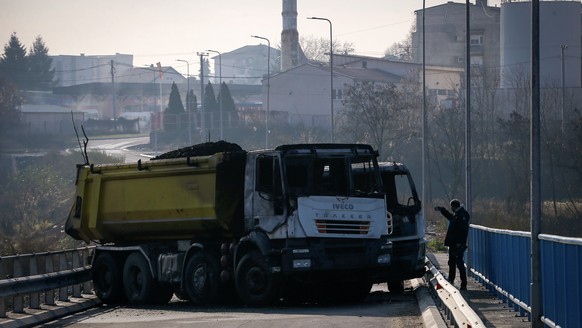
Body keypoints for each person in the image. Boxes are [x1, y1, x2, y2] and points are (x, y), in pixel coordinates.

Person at [435, 199, 470, 290]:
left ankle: (463, 283)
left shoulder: (462, 215)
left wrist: (459, 242)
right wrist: (442, 210)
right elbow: (451, 217)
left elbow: (463, 230)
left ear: (453, 207)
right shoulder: (458, 214)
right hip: (454, 243)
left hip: (458, 244)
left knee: (459, 263)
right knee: (452, 262)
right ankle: (451, 280)